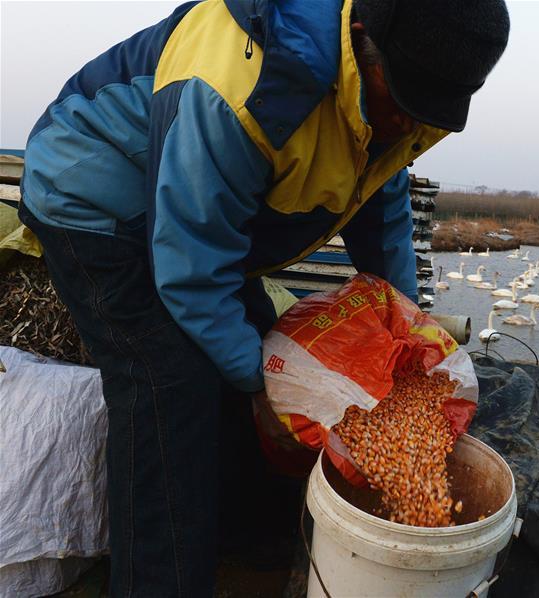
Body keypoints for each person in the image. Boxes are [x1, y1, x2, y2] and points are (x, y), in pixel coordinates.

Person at [18, 0, 510, 595]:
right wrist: (258, 388)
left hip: (195, 217)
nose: (410, 124)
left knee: (258, 349)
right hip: (94, 198)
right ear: (361, 39)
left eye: (430, 108)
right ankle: (161, 581)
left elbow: (382, 210)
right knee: (169, 388)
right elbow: (192, 267)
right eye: (404, 99)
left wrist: (404, 329)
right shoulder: (239, 84)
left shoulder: (407, 94)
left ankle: (243, 542)